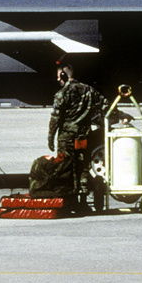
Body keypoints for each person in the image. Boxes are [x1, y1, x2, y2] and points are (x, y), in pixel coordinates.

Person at [48, 63, 108, 205]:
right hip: (83, 136)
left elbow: (55, 118)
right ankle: (83, 198)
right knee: (83, 165)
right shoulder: (89, 90)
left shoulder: (61, 94)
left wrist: (50, 137)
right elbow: (104, 105)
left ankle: (69, 199)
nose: (57, 79)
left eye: (58, 76)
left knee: (65, 165)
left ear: (63, 75)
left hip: (66, 137)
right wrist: (121, 115)